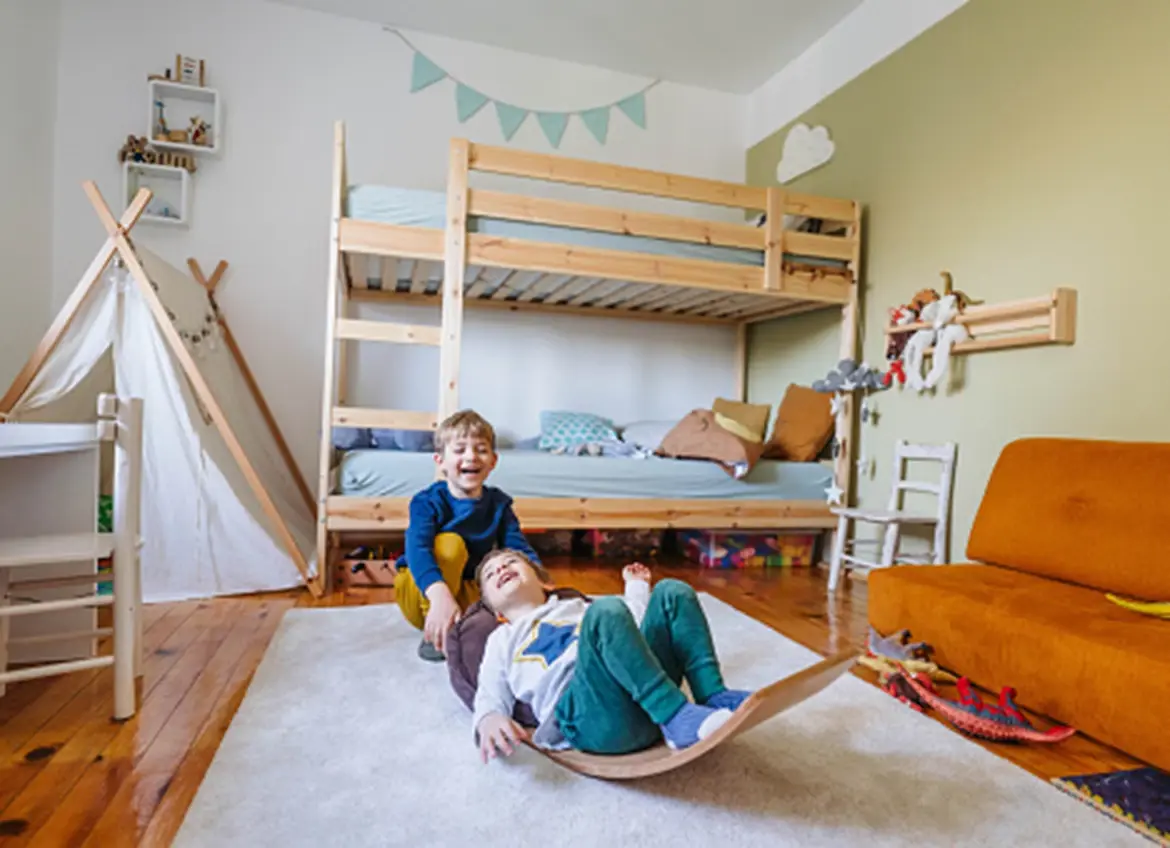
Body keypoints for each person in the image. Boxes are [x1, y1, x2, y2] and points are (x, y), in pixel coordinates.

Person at [471, 549, 753, 762]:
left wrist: (637, 589)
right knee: (606, 611)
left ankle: (712, 694)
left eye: (511, 562)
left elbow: (632, 631)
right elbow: (489, 687)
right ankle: (675, 715)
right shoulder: (502, 639)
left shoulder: (575, 607)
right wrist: (488, 718)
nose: (502, 569)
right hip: (588, 715)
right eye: (490, 573)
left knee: (672, 592)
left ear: (546, 583)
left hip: (638, 701)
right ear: (496, 613)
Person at [394, 410, 542, 662]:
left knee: (507, 584)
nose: (471, 456)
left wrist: (540, 583)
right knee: (450, 543)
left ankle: (465, 622)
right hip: (423, 591)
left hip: (465, 588)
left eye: (481, 450)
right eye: (460, 450)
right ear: (440, 461)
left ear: (493, 461)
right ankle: (436, 632)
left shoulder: (499, 504)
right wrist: (438, 596)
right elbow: (416, 551)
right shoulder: (425, 502)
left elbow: (517, 549)